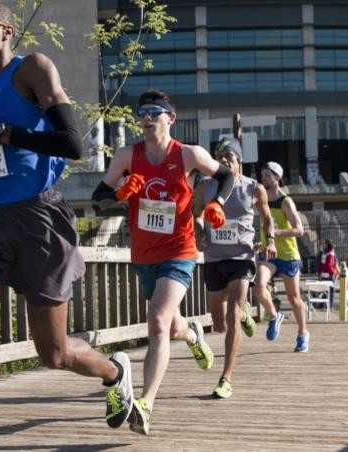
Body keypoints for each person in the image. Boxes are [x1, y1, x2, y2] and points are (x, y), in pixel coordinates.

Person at [0, 2, 133, 450]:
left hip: (38, 220)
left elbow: (72, 144)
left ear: (6, 31)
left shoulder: (32, 70)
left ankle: (114, 373)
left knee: (54, 353)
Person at [91, 89, 234, 434]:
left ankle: (145, 404)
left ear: (171, 118)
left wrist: (217, 203)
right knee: (170, 327)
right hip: (144, 255)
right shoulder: (127, 155)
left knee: (156, 321)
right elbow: (97, 199)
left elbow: (226, 176)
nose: (147, 118)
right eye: (142, 113)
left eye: (154, 112)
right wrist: (120, 194)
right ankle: (192, 335)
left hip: (179, 251)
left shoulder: (188, 154)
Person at [192, 137, 276, 399]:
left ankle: (225, 378)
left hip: (241, 257)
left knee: (233, 314)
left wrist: (270, 239)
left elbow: (267, 218)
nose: (224, 160)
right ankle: (244, 314)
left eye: (229, 156)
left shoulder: (253, 188)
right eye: (219, 156)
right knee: (219, 324)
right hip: (214, 259)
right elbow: (196, 215)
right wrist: (199, 234)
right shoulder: (205, 186)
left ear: (240, 160)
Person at [252, 162, 310, 353]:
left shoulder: (286, 202)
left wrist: (275, 233)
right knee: (259, 286)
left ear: (277, 177)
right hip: (269, 253)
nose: (263, 179)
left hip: (288, 255)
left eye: (267, 175)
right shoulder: (261, 201)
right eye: (262, 175)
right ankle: (274, 315)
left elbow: (299, 230)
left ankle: (302, 334)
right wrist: (262, 241)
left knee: (294, 298)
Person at [317, 240, 340, 309]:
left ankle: (321, 305)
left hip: (323, 274)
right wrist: (334, 272)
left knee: (324, 290)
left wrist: (320, 273)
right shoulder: (331, 254)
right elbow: (329, 265)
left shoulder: (323, 254)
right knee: (331, 291)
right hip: (329, 275)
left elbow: (320, 264)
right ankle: (330, 306)